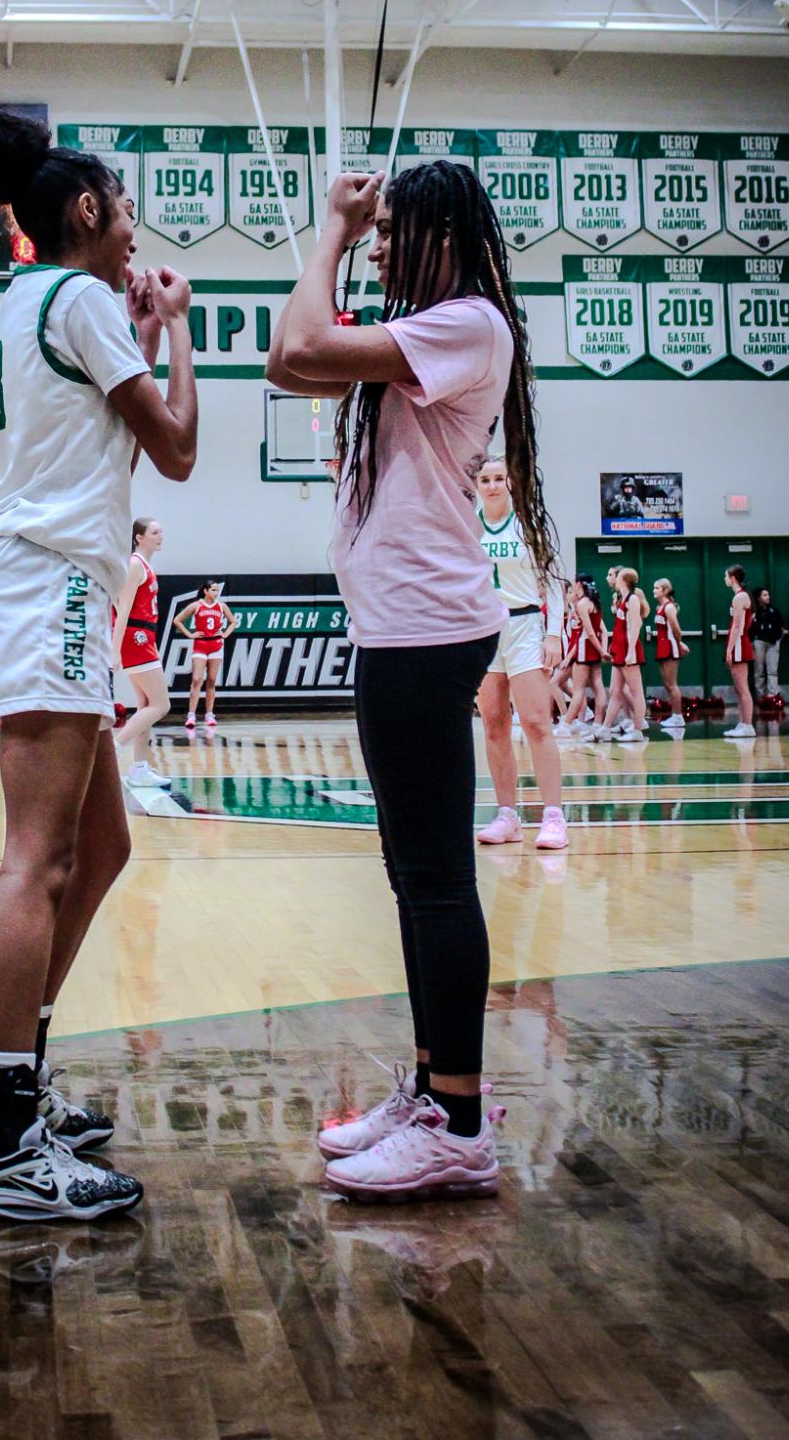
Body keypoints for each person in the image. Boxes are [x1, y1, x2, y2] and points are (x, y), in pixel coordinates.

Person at [267, 157, 551, 1204]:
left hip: (427, 635)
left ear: (443, 233)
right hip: (398, 632)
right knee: (412, 876)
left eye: (394, 229)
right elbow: (284, 364)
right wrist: (337, 244)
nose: (380, 243)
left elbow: (301, 340)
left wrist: (330, 232)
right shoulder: (413, 338)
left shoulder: (466, 322)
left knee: (434, 881)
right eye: (375, 230)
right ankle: (434, 1090)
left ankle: (460, 1125)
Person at [0, 111, 196, 1222]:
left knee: (102, 843)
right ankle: (3, 1137)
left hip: (46, 583)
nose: (136, 237)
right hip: (46, 582)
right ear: (87, 213)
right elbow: (178, 450)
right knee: (38, 858)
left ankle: (17, 1081)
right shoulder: (85, 300)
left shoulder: (26, 298)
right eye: (127, 213)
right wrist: (174, 331)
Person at [473, 457, 568, 852]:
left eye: (499, 478)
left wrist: (553, 634)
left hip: (526, 625)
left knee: (535, 723)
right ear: (476, 484)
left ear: (510, 483)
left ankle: (553, 816)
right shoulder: (467, 525)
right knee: (494, 726)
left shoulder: (529, 524)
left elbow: (556, 582)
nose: (492, 485)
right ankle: (507, 814)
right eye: (485, 479)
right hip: (482, 630)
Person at [112, 517, 171, 788]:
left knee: (146, 706)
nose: (161, 536)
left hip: (144, 637)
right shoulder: (135, 565)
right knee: (162, 705)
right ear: (139, 537)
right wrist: (115, 651)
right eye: (155, 532)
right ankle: (115, 746)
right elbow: (122, 609)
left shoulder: (144, 565)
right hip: (135, 639)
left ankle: (139, 768)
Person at [172, 581, 237, 729]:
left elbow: (233, 622)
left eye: (217, 590)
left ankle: (209, 714)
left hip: (216, 645)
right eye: (213, 590)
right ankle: (191, 715)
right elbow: (177, 620)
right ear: (206, 591)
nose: (216, 592)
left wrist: (225, 634)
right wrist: (190, 634)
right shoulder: (197, 605)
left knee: (212, 680)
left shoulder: (221, 606)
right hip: (201, 645)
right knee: (196, 680)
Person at [597, 568, 647, 743]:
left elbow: (636, 625)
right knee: (614, 691)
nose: (614, 578)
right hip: (619, 649)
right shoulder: (622, 599)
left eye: (617, 576)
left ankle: (638, 729)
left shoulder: (632, 599)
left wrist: (632, 650)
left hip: (628, 649)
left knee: (636, 691)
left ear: (624, 580)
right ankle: (605, 729)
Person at [563, 576, 606, 735]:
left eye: (574, 583)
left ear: (579, 584)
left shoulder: (582, 604)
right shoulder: (595, 602)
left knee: (578, 689)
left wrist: (602, 651)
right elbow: (600, 631)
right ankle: (598, 724)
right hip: (592, 649)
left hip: (583, 649)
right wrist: (602, 650)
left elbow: (589, 632)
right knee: (598, 686)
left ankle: (566, 725)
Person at [723, 564, 756, 739]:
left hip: (739, 643)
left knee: (742, 687)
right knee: (738, 688)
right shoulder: (740, 596)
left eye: (726, 576)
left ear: (733, 577)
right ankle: (742, 722)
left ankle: (748, 725)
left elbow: (737, 625)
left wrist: (729, 649)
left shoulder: (740, 597)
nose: (724, 579)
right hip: (738, 642)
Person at [653, 577, 688, 731]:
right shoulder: (659, 608)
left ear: (665, 590)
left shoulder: (669, 607)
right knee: (666, 683)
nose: (654, 590)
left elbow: (676, 629)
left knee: (672, 684)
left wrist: (679, 643)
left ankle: (678, 716)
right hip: (662, 646)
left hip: (670, 647)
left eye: (657, 588)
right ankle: (674, 715)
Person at [750, 586, 785, 703]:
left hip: (773, 642)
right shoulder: (753, 613)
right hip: (758, 642)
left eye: (768, 595)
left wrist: (778, 638)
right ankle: (760, 697)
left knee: (772, 670)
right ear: (758, 598)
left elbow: (781, 627)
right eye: (765, 595)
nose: (768, 597)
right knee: (759, 671)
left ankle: (772, 696)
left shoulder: (774, 611)